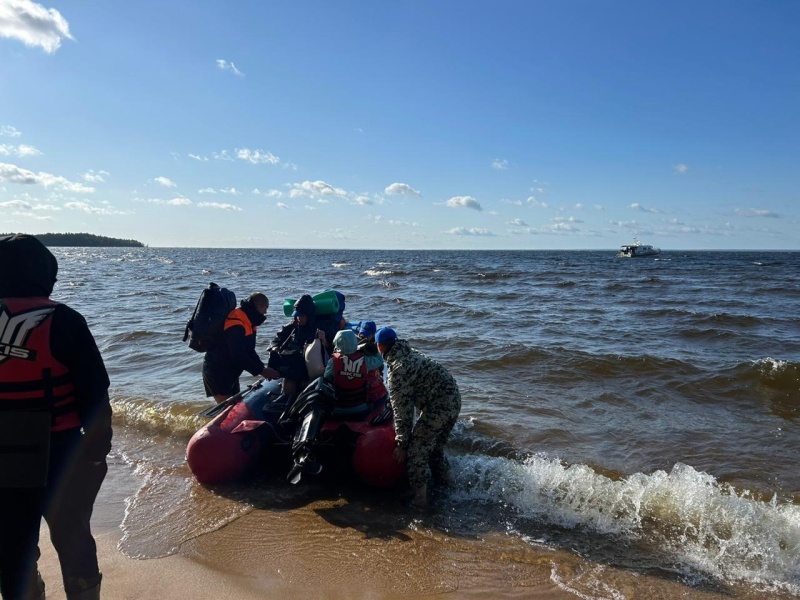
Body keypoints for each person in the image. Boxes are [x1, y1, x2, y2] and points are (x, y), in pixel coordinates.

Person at [0, 234, 113, 600]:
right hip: (60, 452)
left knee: (12, 544)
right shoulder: (65, 321)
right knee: (73, 537)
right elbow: (95, 397)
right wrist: (97, 453)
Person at [375, 326, 461, 508]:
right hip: (454, 398)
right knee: (435, 448)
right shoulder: (409, 352)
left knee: (417, 451)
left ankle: (420, 500)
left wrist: (402, 444)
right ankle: (451, 488)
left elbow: (402, 412)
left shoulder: (398, 371)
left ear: (380, 347)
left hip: (439, 406)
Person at [202, 292, 274, 404]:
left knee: (235, 405)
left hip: (230, 373)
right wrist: (261, 371)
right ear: (259, 306)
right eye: (265, 308)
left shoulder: (249, 321)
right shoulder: (236, 322)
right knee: (226, 409)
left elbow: (249, 351)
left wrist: (262, 367)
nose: (266, 312)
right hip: (217, 371)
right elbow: (238, 355)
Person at [266, 294, 339, 399]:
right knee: (289, 372)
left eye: (302, 316)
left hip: (313, 367)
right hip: (295, 365)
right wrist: (274, 348)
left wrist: (324, 340)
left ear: (309, 315)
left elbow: (333, 348)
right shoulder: (293, 327)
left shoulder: (323, 327)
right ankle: (286, 397)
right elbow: (277, 339)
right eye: (297, 315)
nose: (299, 318)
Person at [323, 329, 388, 417]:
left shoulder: (332, 362)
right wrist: (371, 349)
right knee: (383, 396)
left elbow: (326, 378)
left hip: (338, 409)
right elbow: (380, 361)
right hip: (361, 409)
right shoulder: (366, 360)